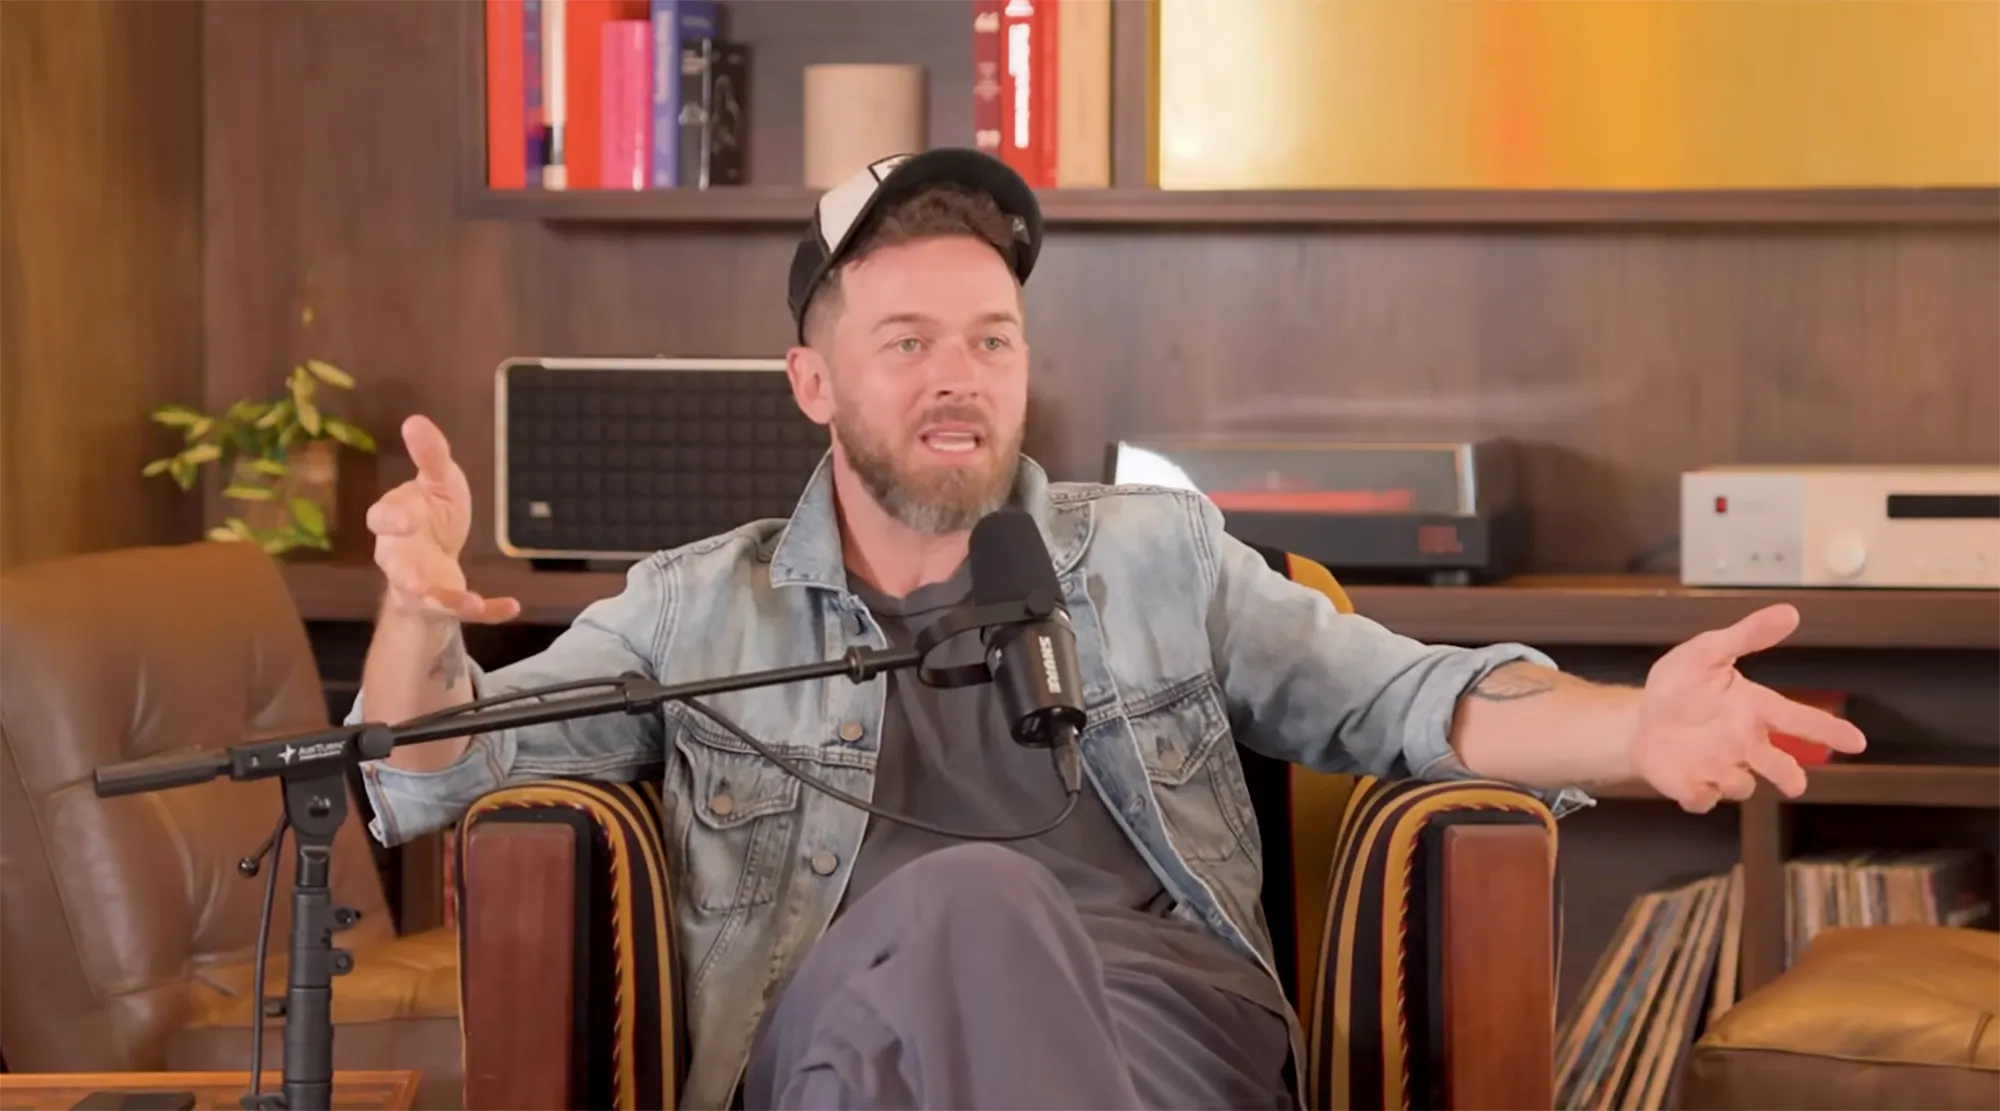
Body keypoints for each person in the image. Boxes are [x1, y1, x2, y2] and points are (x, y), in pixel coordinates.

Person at [350, 149, 1867, 1110]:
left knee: (987, 931)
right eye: (907, 341)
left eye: (991, 339)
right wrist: (417, 616)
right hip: (835, 1033)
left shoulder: (1153, 554)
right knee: (964, 910)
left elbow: (1408, 699)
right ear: (814, 383)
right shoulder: (698, 607)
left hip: (1158, 1032)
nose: (960, 375)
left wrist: (1635, 725)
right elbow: (424, 775)